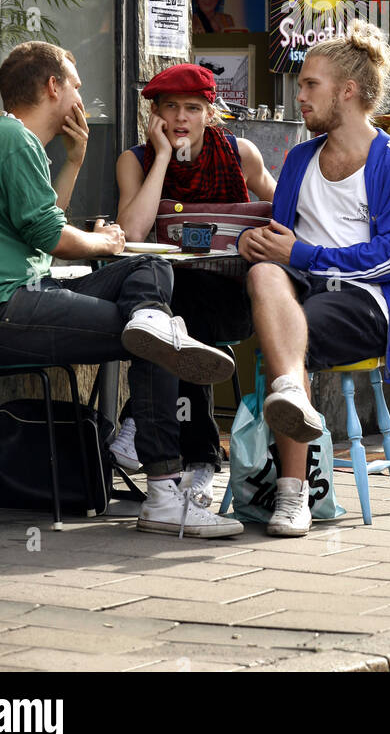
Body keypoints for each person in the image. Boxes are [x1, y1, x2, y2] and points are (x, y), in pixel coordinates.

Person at [0, 41, 241, 538]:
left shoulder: (17, 141)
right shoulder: (12, 138)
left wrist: (75, 160)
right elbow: (53, 237)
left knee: (146, 280)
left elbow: (45, 230)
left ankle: (152, 330)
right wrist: (102, 239)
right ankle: (165, 494)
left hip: (20, 296)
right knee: (158, 337)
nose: (81, 93)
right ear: (54, 86)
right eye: (75, 83)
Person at [237, 22, 390, 537]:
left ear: (347, 91)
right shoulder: (300, 158)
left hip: (368, 300)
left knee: (290, 332)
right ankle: (290, 417)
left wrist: (303, 252)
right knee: (263, 276)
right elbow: (279, 242)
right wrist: (251, 243)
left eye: (309, 85)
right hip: (299, 289)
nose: (299, 97)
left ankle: (293, 493)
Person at [113, 63, 275, 515]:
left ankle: (134, 418)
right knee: (173, 296)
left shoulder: (241, 154)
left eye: (192, 108)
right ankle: (201, 458)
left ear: (210, 113)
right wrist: (163, 158)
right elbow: (132, 231)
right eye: (170, 108)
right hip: (170, 303)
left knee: (177, 310)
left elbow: (283, 206)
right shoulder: (136, 160)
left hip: (231, 297)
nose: (181, 118)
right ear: (155, 115)